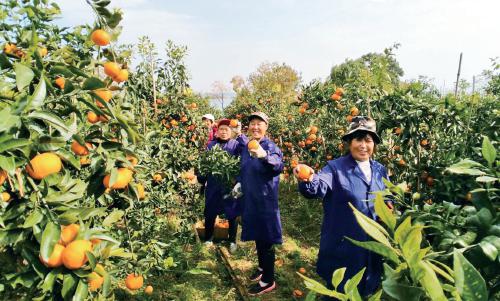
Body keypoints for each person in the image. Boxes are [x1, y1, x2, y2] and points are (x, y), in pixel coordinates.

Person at [294, 116, 389, 299]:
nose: (363, 145)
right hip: (344, 247)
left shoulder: (380, 170)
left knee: (366, 290)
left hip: (372, 247)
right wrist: (307, 177)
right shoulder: (335, 168)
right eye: (358, 139)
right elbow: (317, 187)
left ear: (374, 144)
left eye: (368, 140)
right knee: (339, 292)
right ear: (349, 143)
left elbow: (388, 199)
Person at [233, 112, 284, 296]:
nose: (255, 127)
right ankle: (263, 267)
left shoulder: (270, 147)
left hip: (265, 201)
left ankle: (268, 280)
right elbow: (245, 167)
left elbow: (278, 165)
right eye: (252, 124)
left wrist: (264, 156)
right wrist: (239, 182)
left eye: (259, 124)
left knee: (267, 239)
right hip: (251, 199)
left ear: (266, 127)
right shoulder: (249, 146)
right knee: (258, 235)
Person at [198, 119, 241, 252]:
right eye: (221, 129)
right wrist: (202, 178)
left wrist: (238, 182)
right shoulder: (211, 145)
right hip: (213, 185)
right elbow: (204, 163)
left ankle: (232, 240)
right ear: (217, 131)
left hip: (230, 185)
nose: (223, 132)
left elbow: (241, 164)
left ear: (231, 131)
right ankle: (209, 238)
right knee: (210, 212)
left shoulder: (236, 145)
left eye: (226, 129)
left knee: (232, 212)